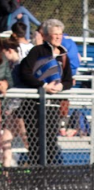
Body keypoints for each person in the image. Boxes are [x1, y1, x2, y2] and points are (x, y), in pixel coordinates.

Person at [19, 18, 73, 165]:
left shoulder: (63, 55)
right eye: (54, 34)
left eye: (60, 34)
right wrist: (43, 86)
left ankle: (47, 179)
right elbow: (25, 73)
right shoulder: (37, 51)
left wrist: (60, 87)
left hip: (53, 106)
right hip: (34, 105)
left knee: (50, 144)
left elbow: (68, 80)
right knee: (36, 143)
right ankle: (36, 179)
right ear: (47, 35)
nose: (57, 37)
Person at [0, 37, 28, 167]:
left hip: (22, 110)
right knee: (6, 138)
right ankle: (6, 173)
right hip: (14, 110)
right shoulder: (11, 66)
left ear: (9, 51)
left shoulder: (21, 65)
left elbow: (21, 89)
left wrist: (11, 107)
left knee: (27, 139)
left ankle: (39, 170)